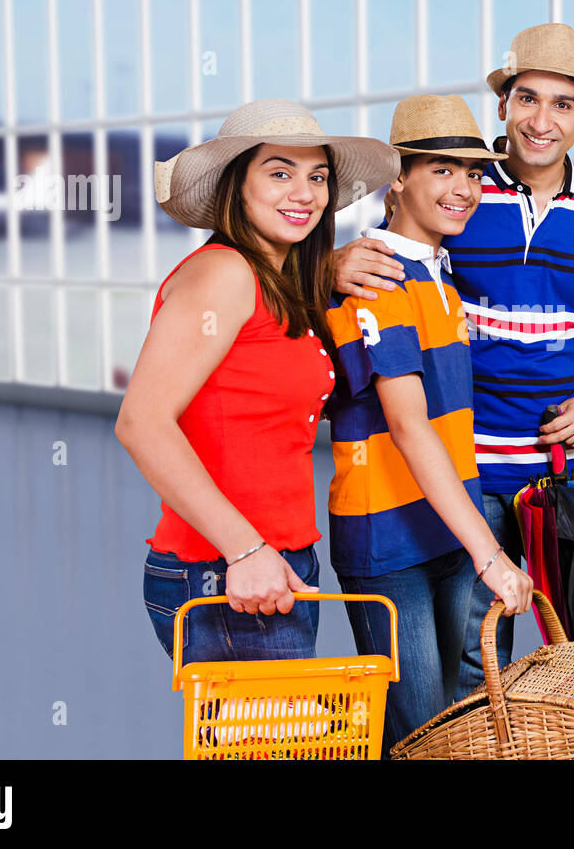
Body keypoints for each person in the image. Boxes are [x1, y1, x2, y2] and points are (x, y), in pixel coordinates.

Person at [333, 23, 574, 693]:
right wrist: (332, 260)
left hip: (563, 466)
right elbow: (385, 258)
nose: (542, 120)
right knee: (475, 654)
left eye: (563, 105)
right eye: (528, 99)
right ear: (503, 106)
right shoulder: (459, 198)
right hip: (467, 464)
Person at [116, 99, 398, 665]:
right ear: (234, 186)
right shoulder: (222, 274)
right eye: (279, 173)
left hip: (273, 560)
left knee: (256, 748)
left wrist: (328, 268)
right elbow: (141, 423)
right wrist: (245, 551)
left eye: (317, 176)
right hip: (226, 569)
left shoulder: (273, 282)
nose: (305, 192)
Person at [325, 95, 534, 751]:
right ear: (398, 180)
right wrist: (491, 554)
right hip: (388, 544)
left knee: (450, 724)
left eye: (474, 173)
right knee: (416, 733)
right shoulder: (380, 278)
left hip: (442, 528)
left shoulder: (439, 276)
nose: (465, 188)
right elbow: (409, 426)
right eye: (443, 170)